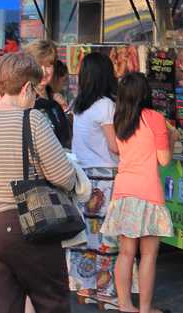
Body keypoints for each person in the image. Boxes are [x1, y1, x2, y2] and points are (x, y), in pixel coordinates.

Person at [0, 52, 77, 313]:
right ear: (26, 88)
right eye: (35, 91)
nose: (35, 97)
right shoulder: (32, 119)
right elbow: (63, 177)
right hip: (23, 223)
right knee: (50, 299)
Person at [101, 73, 175, 313]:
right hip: (148, 192)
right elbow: (164, 160)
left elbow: (116, 150)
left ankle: (125, 305)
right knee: (149, 255)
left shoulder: (120, 119)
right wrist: (172, 138)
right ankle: (145, 309)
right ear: (146, 94)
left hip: (123, 191)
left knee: (126, 252)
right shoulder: (154, 118)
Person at [67, 53, 121, 306]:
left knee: (87, 236)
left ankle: (85, 287)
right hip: (105, 179)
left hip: (83, 178)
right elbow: (115, 146)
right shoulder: (106, 106)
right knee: (106, 238)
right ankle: (106, 291)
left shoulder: (79, 104)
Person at [24, 40, 71, 149]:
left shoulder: (55, 99)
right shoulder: (24, 100)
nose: (44, 72)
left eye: (48, 66)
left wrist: (65, 109)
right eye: (39, 66)